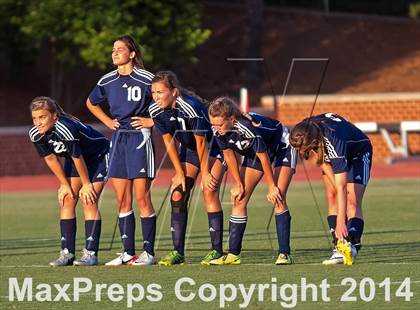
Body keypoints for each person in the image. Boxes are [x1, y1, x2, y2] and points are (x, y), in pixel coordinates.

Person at [132, 70, 226, 266]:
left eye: (160, 92)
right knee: (178, 194)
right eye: (153, 92)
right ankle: (178, 252)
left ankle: (217, 251)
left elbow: (202, 143)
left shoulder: (190, 107)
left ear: (174, 91)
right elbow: (169, 141)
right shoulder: (155, 110)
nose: (156, 97)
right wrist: (179, 173)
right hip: (190, 149)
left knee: (209, 190)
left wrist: (206, 172)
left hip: (216, 146)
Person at [86, 35, 157, 266]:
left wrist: (151, 121)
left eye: (119, 49)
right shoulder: (107, 80)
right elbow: (90, 102)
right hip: (118, 139)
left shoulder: (147, 78)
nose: (114, 53)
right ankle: (128, 252)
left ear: (132, 54)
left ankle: (149, 253)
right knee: (122, 199)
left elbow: (168, 100)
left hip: (139, 139)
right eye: (113, 49)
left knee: (141, 197)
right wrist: (107, 121)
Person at [208, 96, 297, 265]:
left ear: (232, 120)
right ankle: (233, 254)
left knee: (278, 197)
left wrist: (272, 186)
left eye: (219, 125)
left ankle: (284, 253)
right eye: (213, 124)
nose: (216, 128)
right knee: (239, 199)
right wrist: (238, 184)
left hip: (282, 146)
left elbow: (264, 159)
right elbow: (229, 155)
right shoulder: (218, 130)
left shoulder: (247, 128)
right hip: (255, 152)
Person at [29, 96, 109, 266]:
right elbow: (51, 159)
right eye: (35, 118)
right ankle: (67, 253)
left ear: (54, 116)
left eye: (42, 117)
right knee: (67, 200)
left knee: (89, 200)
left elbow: (77, 156)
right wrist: (64, 185)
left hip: (98, 157)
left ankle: (91, 254)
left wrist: (87, 185)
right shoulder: (36, 134)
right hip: (76, 161)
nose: (38, 122)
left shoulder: (65, 128)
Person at [289, 112, 372, 265]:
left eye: (303, 148)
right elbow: (321, 159)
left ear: (314, 140)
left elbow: (342, 185)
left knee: (352, 200)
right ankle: (340, 247)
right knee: (332, 195)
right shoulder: (305, 129)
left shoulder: (335, 140)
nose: (301, 152)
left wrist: (341, 220)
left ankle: (351, 244)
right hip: (329, 153)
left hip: (358, 153)